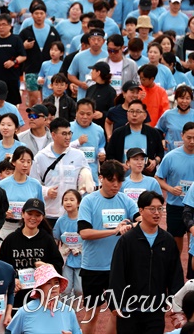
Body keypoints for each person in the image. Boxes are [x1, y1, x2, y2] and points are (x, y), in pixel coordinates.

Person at [77, 160, 141, 334]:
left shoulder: (126, 201)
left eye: (119, 181)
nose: (116, 185)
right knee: (92, 313)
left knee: (117, 313)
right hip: (93, 267)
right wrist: (115, 231)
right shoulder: (88, 201)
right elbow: (84, 233)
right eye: (111, 180)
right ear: (100, 178)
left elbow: (141, 220)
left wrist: (132, 226)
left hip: (119, 268)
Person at [108, 190, 183, 332]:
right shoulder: (127, 240)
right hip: (129, 309)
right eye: (152, 209)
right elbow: (117, 273)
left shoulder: (167, 241)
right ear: (141, 211)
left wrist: (175, 302)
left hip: (156, 310)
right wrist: (115, 303)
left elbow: (175, 274)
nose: (157, 213)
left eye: (160, 209)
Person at [30, 117, 88, 226]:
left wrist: (82, 191)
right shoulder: (41, 157)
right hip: (49, 213)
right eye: (64, 134)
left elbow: (87, 178)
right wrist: (46, 191)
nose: (68, 137)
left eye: (70, 133)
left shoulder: (79, 156)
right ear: (53, 135)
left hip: (72, 214)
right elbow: (33, 185)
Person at [7, 263, 81, 334]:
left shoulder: (69, 312)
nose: (54, 287)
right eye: (48, 283)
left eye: (56, 283)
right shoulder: (24, 312)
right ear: (39, 287)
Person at [155, 122, 194, 254]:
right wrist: (170, 189)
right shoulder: (171, 156)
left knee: (193, 247)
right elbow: (158, 177)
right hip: (175, 206)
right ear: (182, 136)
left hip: (193, 207)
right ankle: (175, 273)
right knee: (174, 247)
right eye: (189, 137)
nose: (192, 141)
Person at [106, 99, 164, 174]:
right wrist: (119, 166)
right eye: (131, 111)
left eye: (138, 112)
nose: (134, 115)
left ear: (145, 115)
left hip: (146, 177)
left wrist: (155, 162)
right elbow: (110, 155)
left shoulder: (153, 133)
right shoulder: (118, 133)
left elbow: (160, 152)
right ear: (127, 114)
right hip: (123, 179)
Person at [53, 189, 83, 300]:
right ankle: (66, 312)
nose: (68, 202)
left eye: (72, 199)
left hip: (81, 258)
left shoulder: (83, 219)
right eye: (65, 200)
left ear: (78, 202)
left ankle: (74, 309)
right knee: (65, 288)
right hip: (66, 258)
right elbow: (55, 239)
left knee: (79, 290)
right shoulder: (61, 221)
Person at [70, 98, 106, 186]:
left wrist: (102, 153)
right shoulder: (68, 128)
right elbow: (62, 149)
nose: (85, 117)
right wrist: (77, 142)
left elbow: (101, 145)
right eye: (82, 113)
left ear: (94, 114)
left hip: (92, 176)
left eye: (88, 114)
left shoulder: (99, 130)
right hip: (72, 175)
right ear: (76, 113)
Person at [0, 114, 25, 183]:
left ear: (16, 128)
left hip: (16, 184)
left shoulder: (22, 148)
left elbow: (27, 167)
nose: (5, 128)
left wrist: (13, 159)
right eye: (2, 124)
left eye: (9, 125)